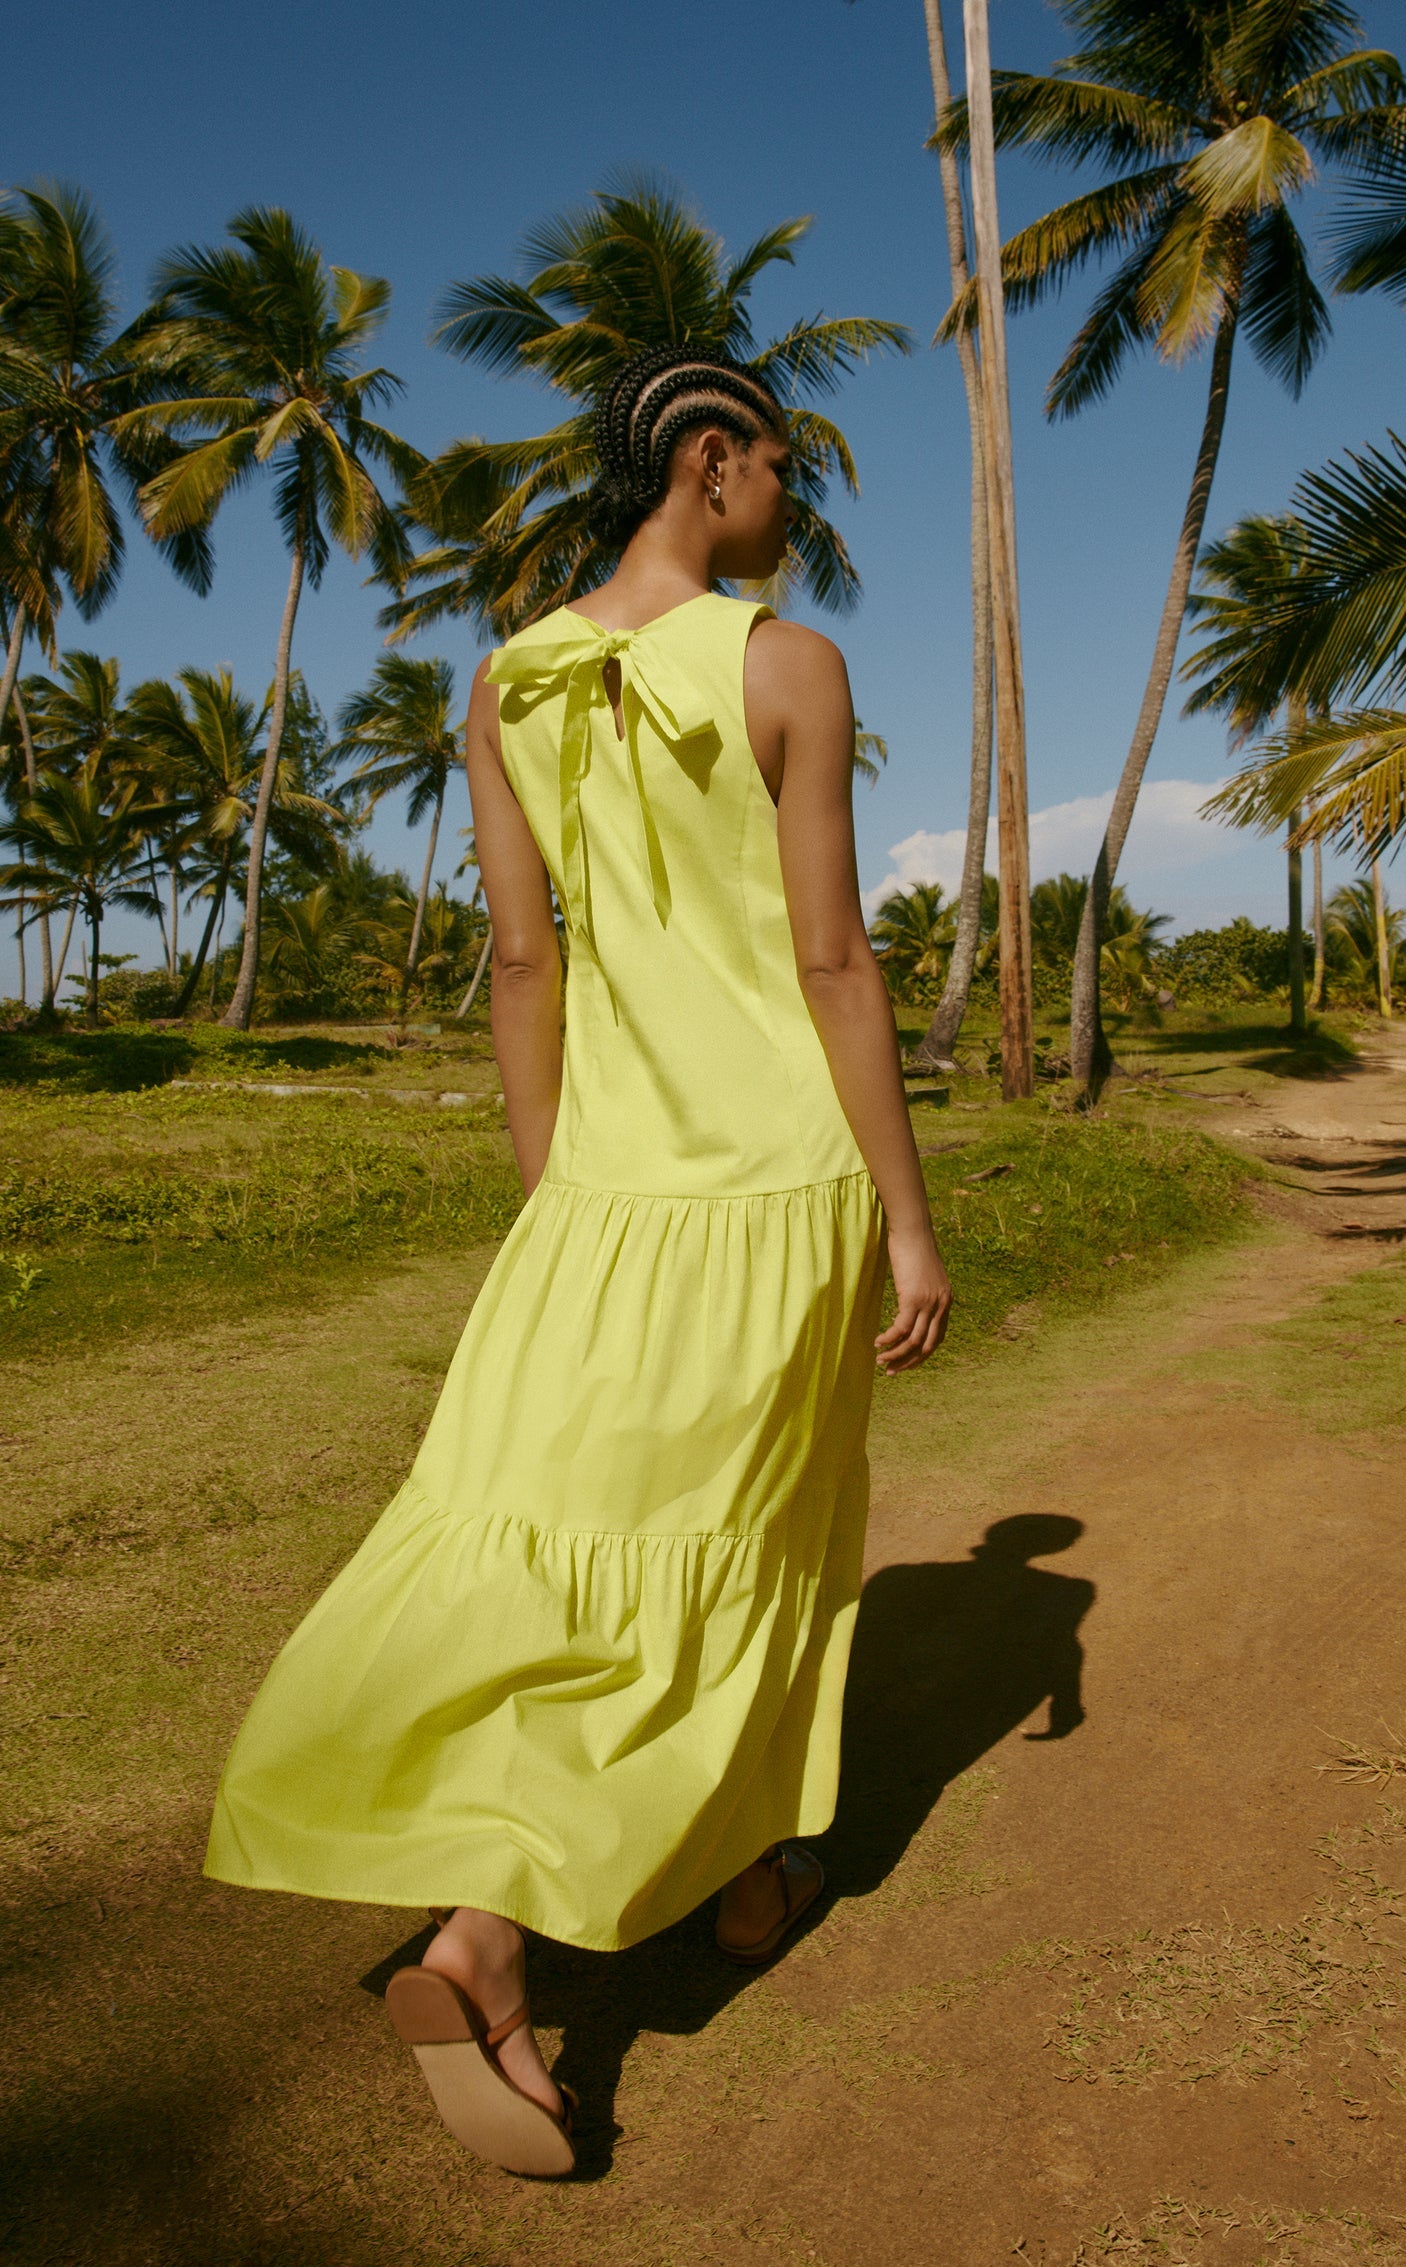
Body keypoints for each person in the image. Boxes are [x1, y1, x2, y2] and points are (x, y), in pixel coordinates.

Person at [203, 344, 951, 2177]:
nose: (790, 503)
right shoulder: (788, 663)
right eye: (780, 467)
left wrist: (559, 1189)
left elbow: (522, 964)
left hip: (602, 1189)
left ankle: (734, 1871)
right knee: (745, 1542)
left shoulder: (505, 679)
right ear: (712, 460)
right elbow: (833, 963)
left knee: (592, 1535)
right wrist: (909, 1215)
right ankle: (499, 1932)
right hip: (774, 1185)